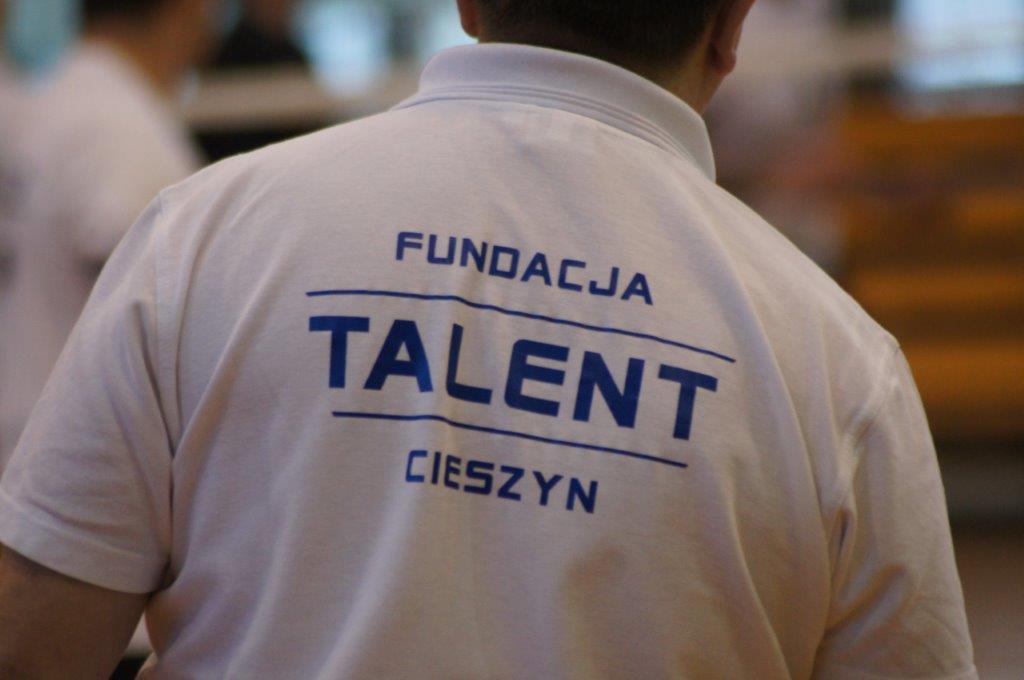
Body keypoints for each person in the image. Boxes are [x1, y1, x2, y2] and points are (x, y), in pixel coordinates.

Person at [0, 0, 977, 677]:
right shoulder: (840, 367)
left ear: (469, 2)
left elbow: (33, 646)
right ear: (730, 28)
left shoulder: (207, 232)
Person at [0, 0, 216, 466]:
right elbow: (158, 310)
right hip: (75, 457)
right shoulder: (118, 129)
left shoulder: (45, 102)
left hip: (33, 436)